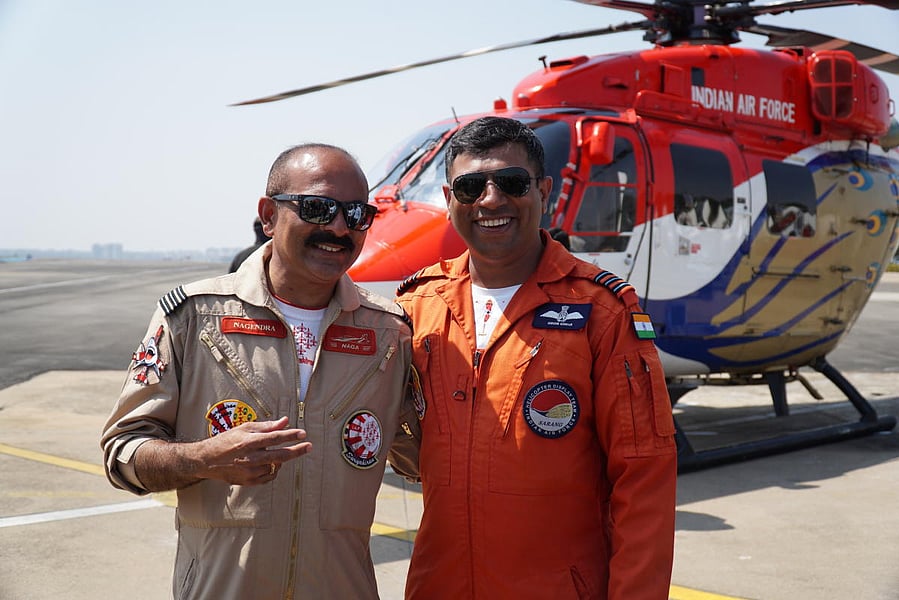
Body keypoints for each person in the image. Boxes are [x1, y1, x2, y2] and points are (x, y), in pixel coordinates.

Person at [101, 143, 420, 599]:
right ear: (268, 215)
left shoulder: (391, 333)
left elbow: (427, 458)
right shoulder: (193, 318)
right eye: (318, 207)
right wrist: (204, 459)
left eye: (356, 214)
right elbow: (122, 453)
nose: (338, 227)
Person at [396, 116, 677, 599]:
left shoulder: (601, 311)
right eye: (470, 186)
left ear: (544, 191)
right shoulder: (416, 307)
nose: (490, 200)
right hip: (439, 586)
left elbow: (644, 477)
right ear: (448, 202)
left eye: (511, 182)